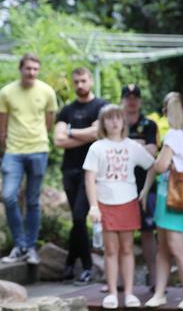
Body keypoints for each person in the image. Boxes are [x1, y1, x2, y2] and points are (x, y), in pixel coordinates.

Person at [84, 104, 155, 309]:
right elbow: (90, 179)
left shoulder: (132, 146)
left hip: (128, 202)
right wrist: (93, 206)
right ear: (103, 122)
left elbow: (152, 166)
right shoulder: (97, 147)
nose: (114, 122)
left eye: (118, 118)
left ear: (123, 121)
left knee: (127, 249)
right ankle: (113, 292)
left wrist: (144, 190)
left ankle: (130, 293)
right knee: (110, 250)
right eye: (109, 118)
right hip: (105, 203)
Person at [0, 53, 58, 264]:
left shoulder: (47, 91)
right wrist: (7, 145)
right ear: (20, 69)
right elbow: (2, 126)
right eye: (28, 68)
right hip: (13, 152)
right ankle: (20, 244)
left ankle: (30, 248)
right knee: (9, 196)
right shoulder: (7, 92)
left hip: (38, 150)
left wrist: (39, 139)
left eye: (35, 69)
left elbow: (50, 122)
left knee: (33, 201)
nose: (31, 72)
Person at [140, 92, 183, 310]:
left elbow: (161, 166)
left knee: (175, 246)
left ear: (165, 112)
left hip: (174, 196)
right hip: (175, 194)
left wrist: (155, 161)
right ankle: (159, 293)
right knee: (163, 247)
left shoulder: (174, 135)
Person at [53, 67, 108, 284]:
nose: (80, 85)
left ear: (91, 81)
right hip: (69, 170)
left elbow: (99, 133)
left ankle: (84, 267)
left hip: (91, 171)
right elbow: (58, 140)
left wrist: (70, 132)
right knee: (77, 220)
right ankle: (70, 264)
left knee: (78, 216)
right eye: (76, 82)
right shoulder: (66, 110)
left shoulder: (101, 107)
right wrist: (87, 134)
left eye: (83, 81)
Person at [121, 84, 159, 292]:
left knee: (147, 232)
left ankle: (154, 278)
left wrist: (127, 147)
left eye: (135, 97)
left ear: (140, 101)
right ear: (122, 100)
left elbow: (153, 151)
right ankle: (118, 281)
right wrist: (139, 146)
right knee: (120, 232)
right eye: (128, 97)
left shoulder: (149, 124)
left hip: (145, 186)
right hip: (120, 186)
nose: (132, 100)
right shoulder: (116, 123)